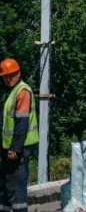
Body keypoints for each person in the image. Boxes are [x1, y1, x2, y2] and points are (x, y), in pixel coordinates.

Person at [0, 59, 38, 212]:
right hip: (8, 150)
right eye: (5, 76)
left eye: (11, 75)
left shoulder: (22, 91)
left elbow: (21, 123)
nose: (8, 79)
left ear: (18, 73)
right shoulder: (10, 93)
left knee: (16, 189)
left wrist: (14, 148)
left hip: (17, 151)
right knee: (4, 189)